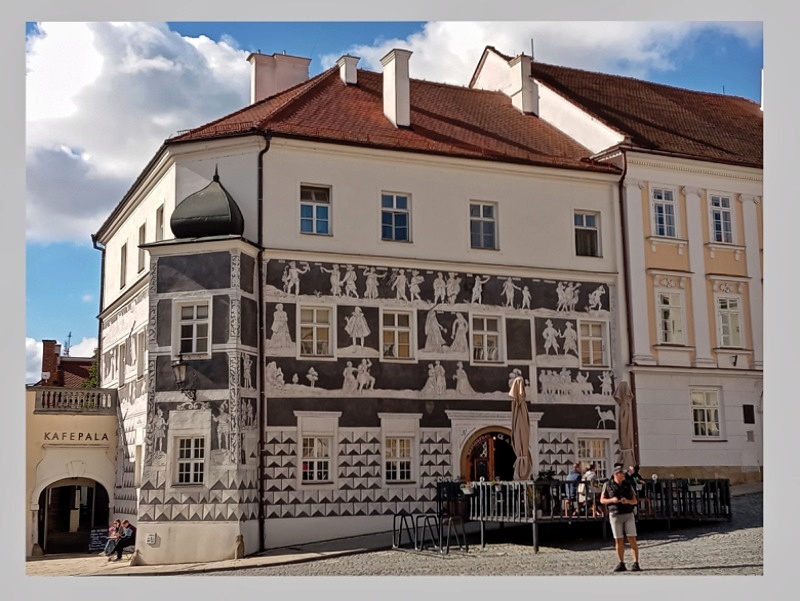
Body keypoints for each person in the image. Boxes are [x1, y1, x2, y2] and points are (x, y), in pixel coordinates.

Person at [600, 465, 641, 572]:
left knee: (632, 538)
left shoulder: (628, 484)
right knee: (618, 539)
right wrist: (612, 500)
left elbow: (635, 500)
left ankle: (635, 562)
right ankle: (621, 562)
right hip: (615, 514)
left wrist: (627, 501)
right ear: (616, 474)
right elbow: (602, 500)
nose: (624, 475)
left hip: (628, 513)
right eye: (622, 473)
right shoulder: (608, 485)